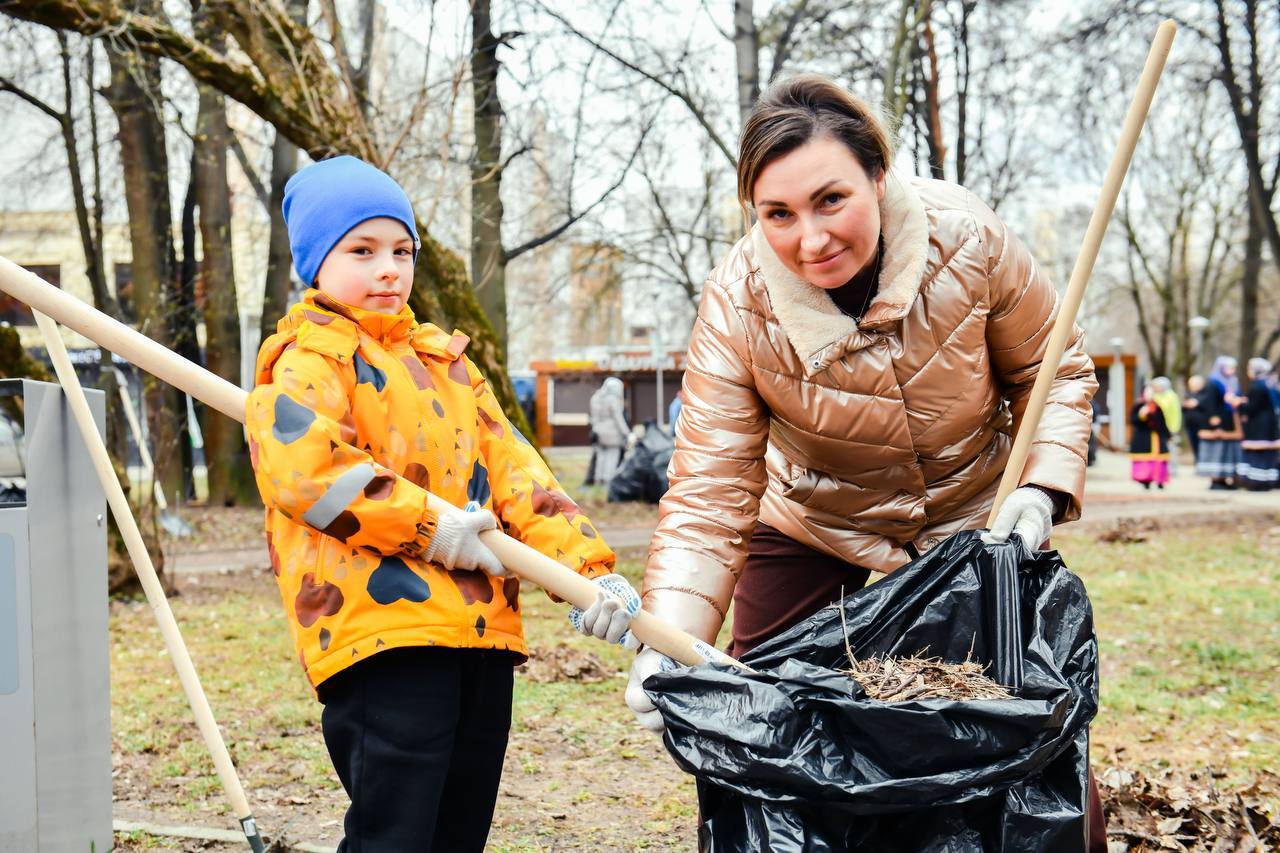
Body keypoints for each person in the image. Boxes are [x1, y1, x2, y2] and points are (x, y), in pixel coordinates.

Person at [624, 75, 1104, 848]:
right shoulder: (737, 306)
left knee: (1021, 725)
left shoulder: (969, 241)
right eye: (777, 214)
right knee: (762, 718)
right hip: (813, 517)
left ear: (879, 177)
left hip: (972, 516)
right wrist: (666, 643)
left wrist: (1043, 487)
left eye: (831, 200)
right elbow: (710, 492)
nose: (810, 239)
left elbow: (1056, 368)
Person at [245, 155, 638, 852]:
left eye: (401, 250)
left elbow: (520, 476)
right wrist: (434, 527)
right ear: (315, 261)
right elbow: (305, 471)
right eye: (361, 251)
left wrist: (587, 569)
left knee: (459, 829)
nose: (388, 269)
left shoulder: (447, 364)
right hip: (382, 636)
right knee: (395, 833)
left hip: (479, 631)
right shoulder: (308, 357)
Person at [1195, 356, 1244, 490]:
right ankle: (1216, 480)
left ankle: (1226, 478)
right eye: (1230, 367)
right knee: (1217, 450)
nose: (1232, 370)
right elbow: (1210, 403)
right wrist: (1215, 420)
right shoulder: (1214, 382)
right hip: (1218, 422)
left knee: (1228, 450)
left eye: (1234, 368)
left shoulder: (1233, 382)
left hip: (1231, 422)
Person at [1238, 357, 1279, 490]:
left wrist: (1239, 404)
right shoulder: (1270, 384)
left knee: (1258, 452)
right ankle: (1267, 481)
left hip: (1259, 426)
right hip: (1270, 424)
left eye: (1250, 369)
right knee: (1267, 453)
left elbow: (1252, 408)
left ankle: (1257, 482)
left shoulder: (1258, 386)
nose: (1248, 372)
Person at [588, 377, 629, 485]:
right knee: (612, 457)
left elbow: (593, 417)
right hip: (613, 433)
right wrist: (626, 433)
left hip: (598, 432)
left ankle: (598, 480)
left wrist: (595, 429)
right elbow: (618, 418)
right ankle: (607, 481)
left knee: (600, 457)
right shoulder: (613, 399)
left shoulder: (595, 398)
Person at [1129, 384, 1171, 489]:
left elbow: (1162, 422)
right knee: (1146, 461)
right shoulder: (1138, 405)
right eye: (1148, 392)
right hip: (1143, 438)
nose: (1150, 395)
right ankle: (1146, 480)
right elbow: (1133, 421)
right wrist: (1141, 415)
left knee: (1159, 460)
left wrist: (1167, 434)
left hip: (1157, 437)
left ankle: (1160, 480)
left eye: (1152, 392)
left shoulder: (1157, 406)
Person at [1151, 376, 1182, 473]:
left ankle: (1172, 469)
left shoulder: (1171, 396)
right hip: (1159, 428)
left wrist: (1174, 428)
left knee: (1171, 448)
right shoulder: (1156, 396)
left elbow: (1175, 414)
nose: (1154, 388)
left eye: (1156, 386)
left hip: (1170, 427)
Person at [1181, 375, 1212, 461]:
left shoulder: (1207, 394)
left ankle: (1203, 461)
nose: (1192, 387)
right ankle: (1197, 460)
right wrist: (1186, 405)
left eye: (1194, 385)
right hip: (1190, 424)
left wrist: (1197, 403)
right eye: (1191, 385)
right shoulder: (1188, 394)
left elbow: (1208, 407)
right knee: (1193, 443)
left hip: (1202, 425)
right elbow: (1183, 408)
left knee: (1203, 444)